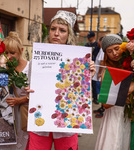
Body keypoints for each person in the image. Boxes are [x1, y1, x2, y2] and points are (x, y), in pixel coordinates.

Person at [25, 10, 96, 150]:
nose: (56, 33)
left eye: (62, 30)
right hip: (40, 121)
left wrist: (88, 76)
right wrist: (28, 90)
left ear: (69, 34)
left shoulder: (78, 60)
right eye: (53, 29)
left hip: (66, 123)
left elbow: (81, 92)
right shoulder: (37, 59)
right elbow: (25, 83)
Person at [94, 34, 134, 150]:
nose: (115, 53)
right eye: (109, 51)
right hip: (114, 116)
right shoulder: (107, 72)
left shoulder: (132, 66)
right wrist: (129, 89)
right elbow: (105, 104)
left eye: (117, 48)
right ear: (106, 54)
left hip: (130, 115)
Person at [0, 31, 31, 150]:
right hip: (8, 114)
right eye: (6, 53)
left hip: (25, 113)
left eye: (12, 52)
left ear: (21, 50)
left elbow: (38, 94)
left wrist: (20, 100)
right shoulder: (4, 67)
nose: (9, 56)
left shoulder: (30, 67)